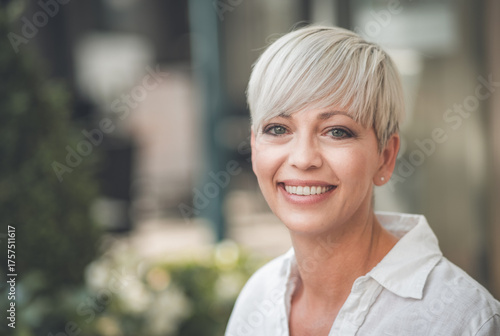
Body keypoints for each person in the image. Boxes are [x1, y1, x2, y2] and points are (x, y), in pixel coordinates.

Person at [225, 26, 500, 336]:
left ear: (385, 157)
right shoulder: (257, 298)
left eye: (336, 131)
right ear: (253, 146)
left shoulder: (465, 319)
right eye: (278, 129)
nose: (303, 158)